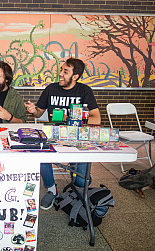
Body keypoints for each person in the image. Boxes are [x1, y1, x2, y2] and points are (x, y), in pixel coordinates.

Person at [25, 58, 101, 210]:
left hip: (77, 138)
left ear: (75, 76)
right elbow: (39, 113)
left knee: (80, 182)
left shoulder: (85, 91)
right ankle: (52, 189)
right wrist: (34, 111)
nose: (60, 74)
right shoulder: (50, 89)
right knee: (39, 152)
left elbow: (96, 118)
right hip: (52, 135)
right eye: (61, 70)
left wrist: (71, 118)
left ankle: (77, 176)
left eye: (65, 71)